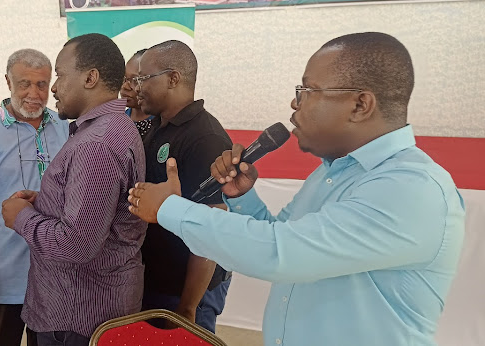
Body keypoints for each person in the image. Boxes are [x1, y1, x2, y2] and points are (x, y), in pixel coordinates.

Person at [127, 32, 465, 346]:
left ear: (360, 105)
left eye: (307, 91)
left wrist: (169, 209)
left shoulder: (411, 189)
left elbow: (280, 253)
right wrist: (243, 197)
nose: (294, 103)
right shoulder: (332, 173)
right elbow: (279, 233)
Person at [1, 33, 147, 346]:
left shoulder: (96, 145)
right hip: (85, 309)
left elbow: (77, 245)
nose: (52, 88)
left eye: (60, 76)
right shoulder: (113, 128)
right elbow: (101, 212)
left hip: (76, 317)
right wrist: (47, 202)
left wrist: (22, 217)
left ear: (90, 78)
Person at [0, 48, 70, 346]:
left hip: (54, 274)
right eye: (24, 83)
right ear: (7, 81)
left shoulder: (64, 126)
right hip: (1, 271)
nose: (34, 93)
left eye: (42, 84)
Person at [131, 40, 233, 333]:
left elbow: (210, 229)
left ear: (173, 78)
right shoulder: (156, 127)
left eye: (143, 78)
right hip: (157, 282)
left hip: (185, 294)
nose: (137, 87)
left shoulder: (205, 138)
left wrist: (187, 308)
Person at [120, 48, 154, 138]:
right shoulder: (119, 121)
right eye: (124, 78)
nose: (125, 86)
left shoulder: (160, 124)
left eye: (135, 80)